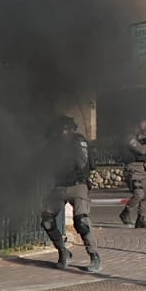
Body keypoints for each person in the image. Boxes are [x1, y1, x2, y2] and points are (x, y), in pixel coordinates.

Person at [39, 116, 102, 273]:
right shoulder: (53, 143)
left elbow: (81, 162)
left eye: (65, 130)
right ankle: (63, 251)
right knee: (47, 219)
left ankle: (94, 255)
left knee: (81, 221)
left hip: (77, 185)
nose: (63, 133)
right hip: (59, 186)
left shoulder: (78, 141)